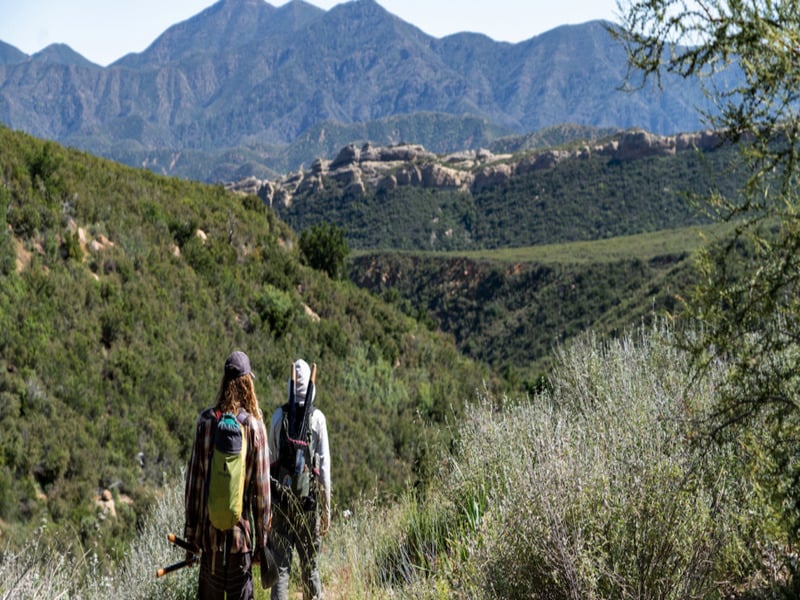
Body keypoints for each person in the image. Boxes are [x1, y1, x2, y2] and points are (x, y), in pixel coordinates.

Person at [184, 350, 272, 600]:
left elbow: (194, 486)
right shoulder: (255, 427)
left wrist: (192, 539)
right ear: (248, 384)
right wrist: (261, 545)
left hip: (209, 544)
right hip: (240, 543)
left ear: (224, 382)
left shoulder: (205, 422)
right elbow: (262, 493)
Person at [269, 358, 331, 600]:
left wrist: (268, 508)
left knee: (281, 571)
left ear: (290, 386)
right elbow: (324, 469)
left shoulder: (277, 417)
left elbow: (269, 464)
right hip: (308, 505)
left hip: (281, 504)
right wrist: (326, 508)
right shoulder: (318, 419)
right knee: (309, 568)